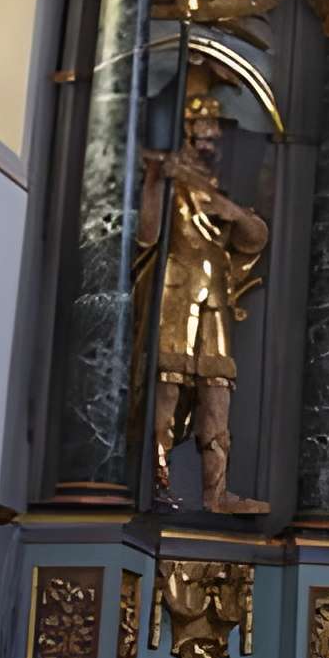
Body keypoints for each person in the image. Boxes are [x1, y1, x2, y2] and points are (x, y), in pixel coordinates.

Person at [139, 78, 271, 515]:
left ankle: (216, 494)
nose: (212, 135)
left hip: (214, 296)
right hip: (174, 293)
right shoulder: (168, 175)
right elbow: (146, 235)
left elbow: (255, 237)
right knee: (166, 393)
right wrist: (157, 180)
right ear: (189, 129)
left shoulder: (213, 188)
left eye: (216, 127)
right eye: (205, 126)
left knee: (218, 394)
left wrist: (231, 210)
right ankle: (154, 482)